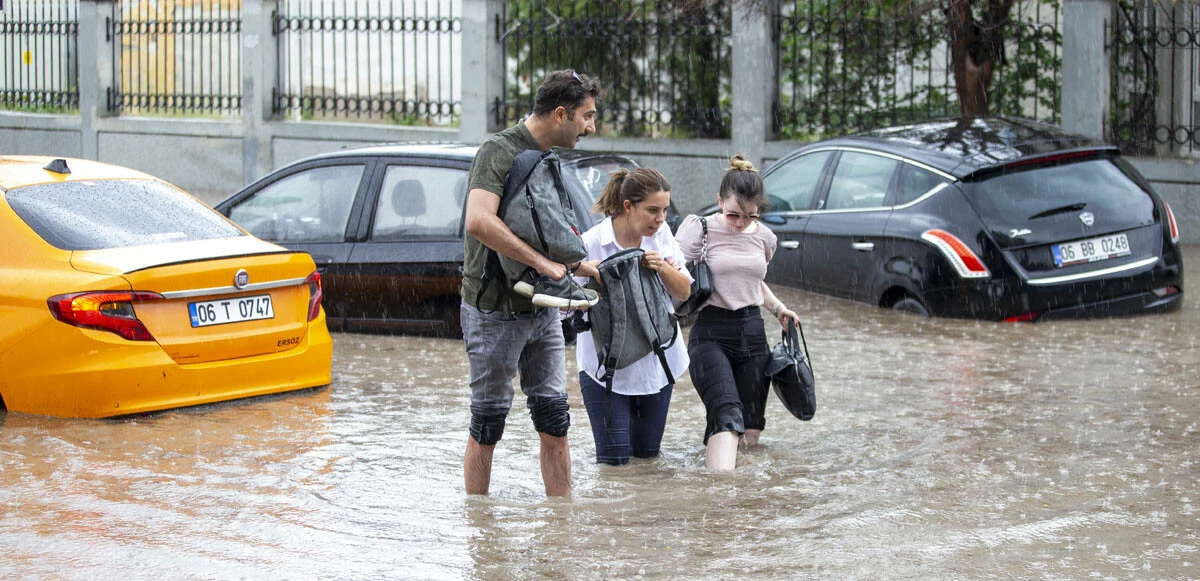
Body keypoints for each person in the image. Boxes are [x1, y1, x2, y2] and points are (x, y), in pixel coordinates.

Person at [460, 69, 605, 496]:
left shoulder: (550, 159)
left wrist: (579, 267)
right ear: (560, 114)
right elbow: (478, 220)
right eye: (587, 116)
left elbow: (542, 230)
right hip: (494, 310)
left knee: (555, 420)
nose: (591, 127)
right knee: (487, 424)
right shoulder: (498, 151)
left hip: (541, 307)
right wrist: (542, 263)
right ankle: (479, 535)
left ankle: (562, 530)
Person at [674, 154, 799, 470]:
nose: (741, 223)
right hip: (710, 333)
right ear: (719, 200)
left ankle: (745, 505)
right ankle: (721, 497)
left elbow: (753, 283)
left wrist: (779, 310)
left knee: (752, 430)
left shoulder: (764, 236)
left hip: (753, 335)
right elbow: (671, 274)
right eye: (733, 215)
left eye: (750, 216)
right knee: (727, 415)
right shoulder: (698, 230)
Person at [571, 168, 692, 465]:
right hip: (605, 373)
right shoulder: (592, 243)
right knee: (614, 466)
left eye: (664, 210)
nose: (660, 219)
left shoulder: (661, 236)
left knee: (648, 464)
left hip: (658, 365)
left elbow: (684, 292)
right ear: (628, 206)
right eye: (652, 210)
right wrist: (588, 273)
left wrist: (663, 268)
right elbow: (564, 306)